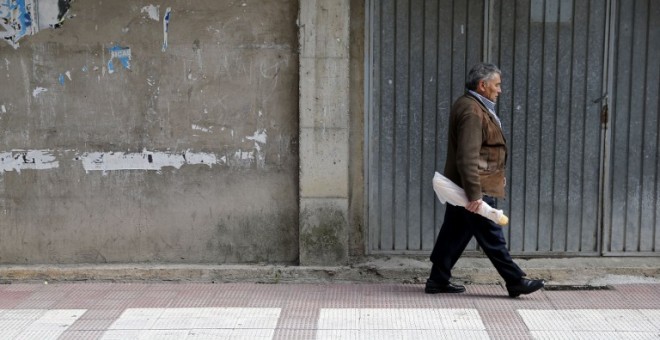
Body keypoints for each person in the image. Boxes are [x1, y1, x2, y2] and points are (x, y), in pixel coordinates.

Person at [426, 63, 544, 298]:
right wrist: (476, 196)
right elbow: (467, 156)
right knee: (491, 233)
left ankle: (437, 279)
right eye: (497, 85)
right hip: (474, 185)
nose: (500, 90)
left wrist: (497, 176)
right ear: (483, 85)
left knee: (454, 232)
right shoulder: (472, 111)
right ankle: (515, 280)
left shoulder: (475, 106)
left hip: (473, 184)